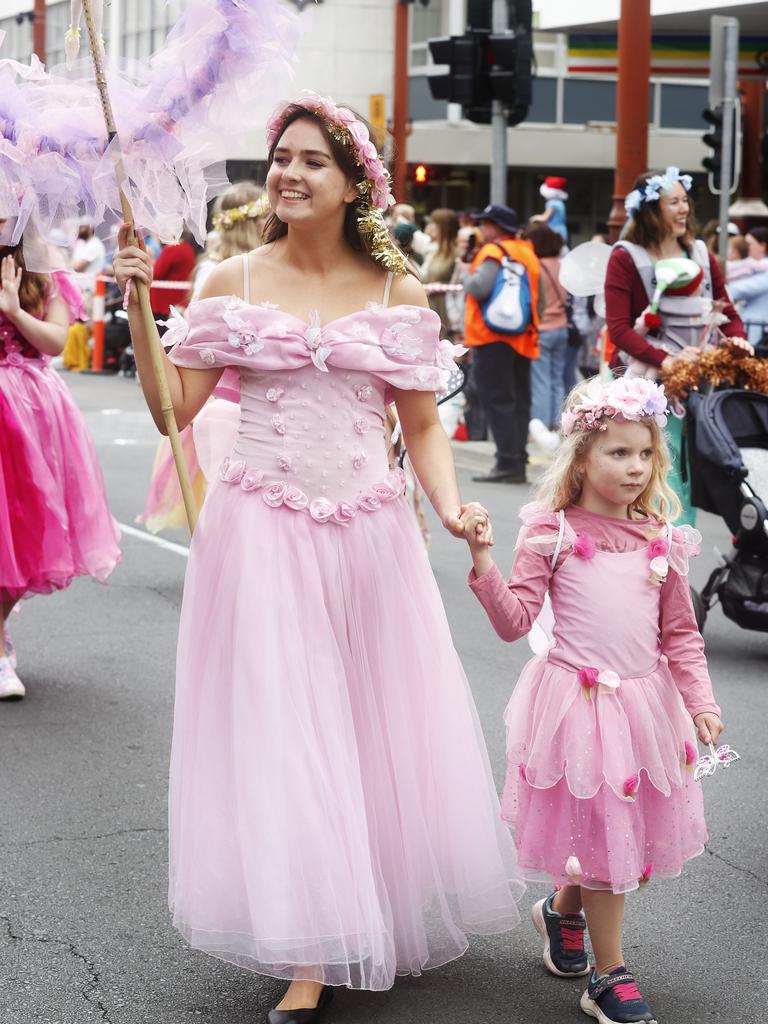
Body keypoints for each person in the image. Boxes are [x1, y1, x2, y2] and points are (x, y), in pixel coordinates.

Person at [114, 92, 522, 1021]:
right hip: (260, 531)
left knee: (369, 723)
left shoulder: (397, 294)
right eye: (280, 159)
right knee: (289, 728)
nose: (289, 176)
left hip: (373, 530)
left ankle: (360, 898)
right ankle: (311, 946)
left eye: (312, 162)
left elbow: (420, 420)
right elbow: (173, 408)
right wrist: (140, 303)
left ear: (353, 186)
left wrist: (453, 510)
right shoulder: (230, 281)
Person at [460, 375, 723, 1024]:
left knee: (612, 831)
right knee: (609, 838)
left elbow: (680, 635)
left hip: (642, 708)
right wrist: (484, 562)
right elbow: (515, 622)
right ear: (580, 456)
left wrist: (701, 701)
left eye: (644, 454)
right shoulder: (549, 532)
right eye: (617, 453)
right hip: (577, 706)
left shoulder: (662, 537)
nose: (635, 467)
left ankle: (560, 911)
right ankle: (609, 975)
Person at [0, 237, 120, 699]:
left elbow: (53, 340)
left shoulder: (44, 263)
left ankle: (1, 643)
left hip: (29, 411)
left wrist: (13, 309)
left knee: (25, 530)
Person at [604, 167, 746, 523]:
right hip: (641, 390)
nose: (683, 209)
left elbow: (725, 310)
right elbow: (620, 330)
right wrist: (668, 363)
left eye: (685, 200)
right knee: (650, 477)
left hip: (698, 389)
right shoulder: (625, 258)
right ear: (651, 210)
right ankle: (647, 560)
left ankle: (676, 561)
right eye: (673, 202)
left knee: (687, 477)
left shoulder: (700, 253)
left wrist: (738, 341)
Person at [459, 203, 541, 484]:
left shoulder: (493, 251)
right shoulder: (527, 252)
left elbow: (479, 287)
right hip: (522, 336)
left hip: (492, 336)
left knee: (498, 399)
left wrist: (464, 274)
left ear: (496, 227)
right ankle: (517, 458)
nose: (481, 228)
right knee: (519, 399)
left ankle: (506, 461)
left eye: (485, 223)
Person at [526, 223, 569, 438]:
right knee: (557, 379)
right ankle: (559, 424)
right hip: (562, 327)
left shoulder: (536, 267)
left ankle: (540, 427)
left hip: (542, 328)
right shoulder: (562, 265)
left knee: (541, 380)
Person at [421, 207, 460, 338]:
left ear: (444, 227)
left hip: (445, 310)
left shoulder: (455, 252)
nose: (430, 226)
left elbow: (459, 281)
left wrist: (441, 284)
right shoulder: (435, 250)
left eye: (434, 223)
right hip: (431, 306)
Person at [530, 176, 569, 245]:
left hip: (554, 231)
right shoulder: (560, 203)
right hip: (561, 231)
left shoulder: (552, 203)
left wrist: (534, 218)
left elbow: (545, 217)